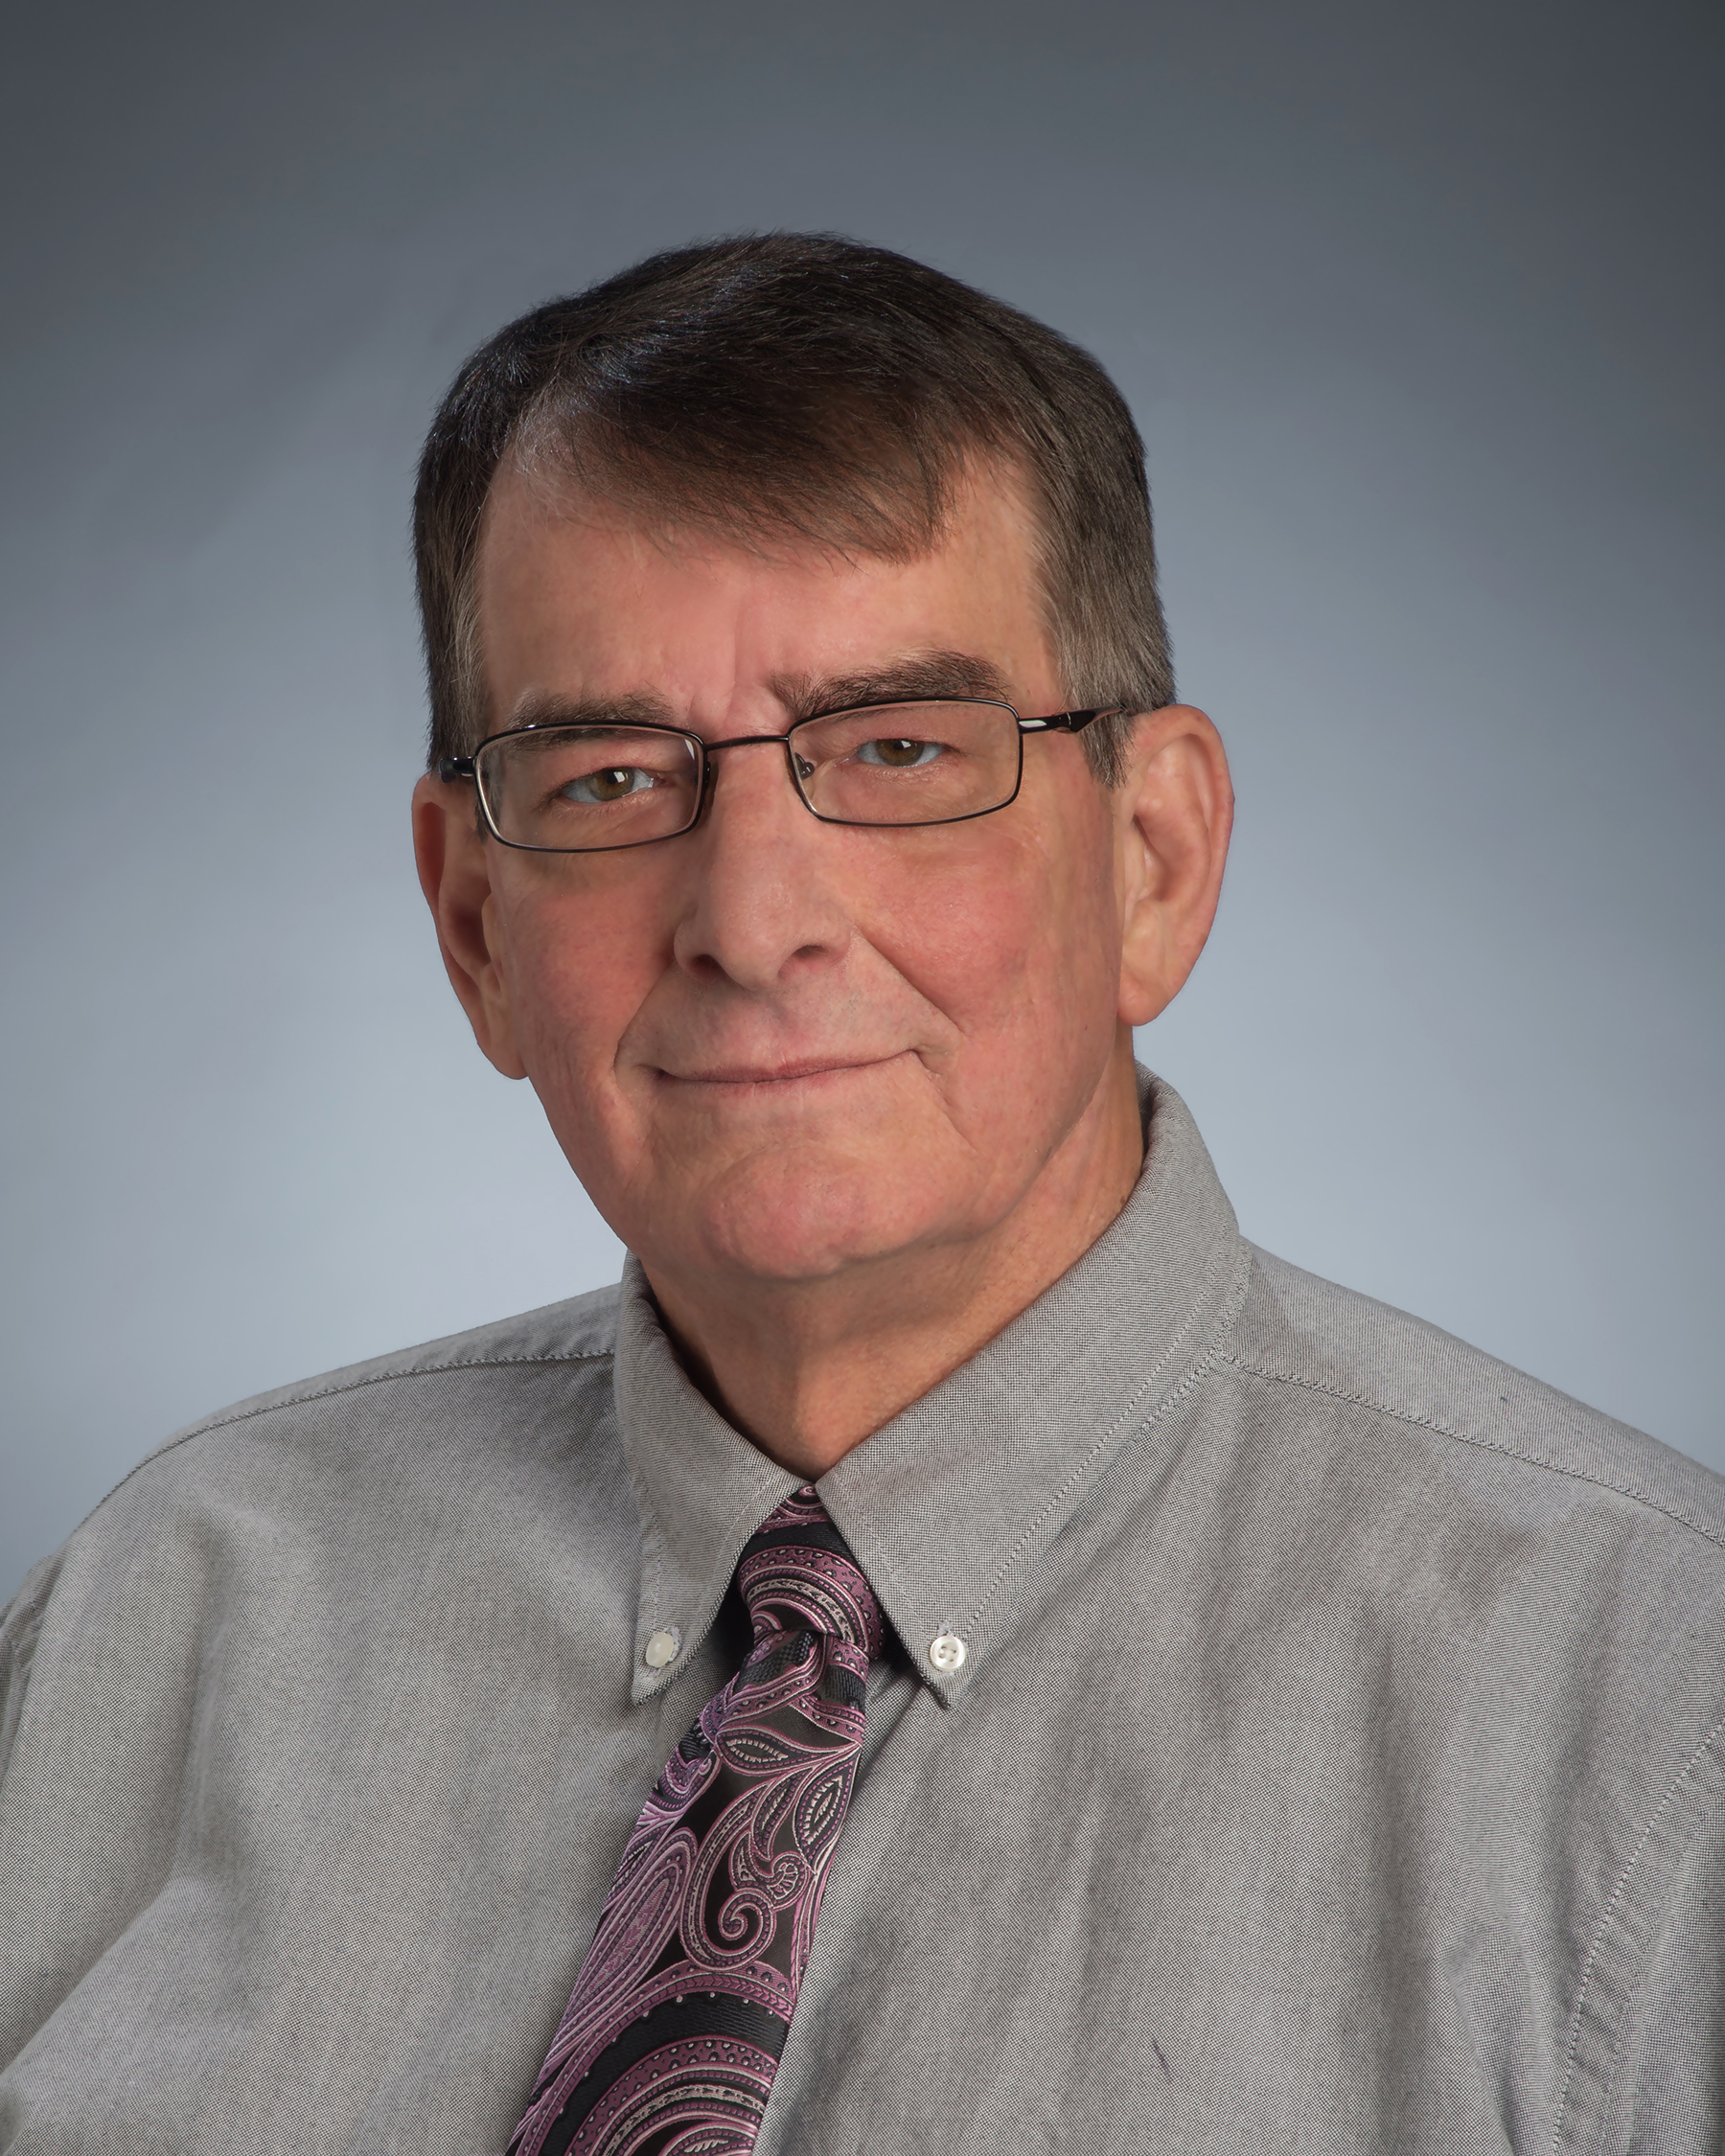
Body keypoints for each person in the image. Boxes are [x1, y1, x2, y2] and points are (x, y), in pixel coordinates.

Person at [1, 234, 1720, 2156]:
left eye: (901, 750)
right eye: (609, 779)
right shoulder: (155, 1627)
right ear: (474, 924)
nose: (752, 923)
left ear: (1152, 860)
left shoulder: (1655, 1731)